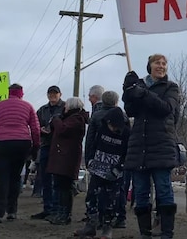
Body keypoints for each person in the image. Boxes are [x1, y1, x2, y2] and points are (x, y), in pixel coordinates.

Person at [122, 54, 180, 239]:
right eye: (157, 63)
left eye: (164, 63)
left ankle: (166, 233)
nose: (161, 66)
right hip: (139, 146)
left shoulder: (171, 87)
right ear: (150, 66)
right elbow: (130, 110)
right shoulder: (139, 85)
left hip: (162, 145)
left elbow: (165, 109)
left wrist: (143, 93)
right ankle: (144, 233)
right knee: (140, 191)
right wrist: (128, 89)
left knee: (164, 189)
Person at [0, 83, 40, 223]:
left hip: (1, 143)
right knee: (15, 177)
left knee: (1, 178)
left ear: (8, 92)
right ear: (21, 93)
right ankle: (12, 211)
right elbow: (35, 129)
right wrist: (36, 147)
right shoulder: (28, 106)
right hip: (22, 143)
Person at [76, 106, 131, 238]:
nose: (111, 128)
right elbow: (94, 144)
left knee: (111, 200)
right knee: (91, 197)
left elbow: (128, 153)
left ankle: (107, 226)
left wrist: (119, 167)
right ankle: (91, 225)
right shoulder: (102, 129)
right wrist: (90, 159)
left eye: (113, 125)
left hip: (115, 173)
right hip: (98, 169)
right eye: (109, 125)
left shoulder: (126, 133)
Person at [46, 96, 89, 225]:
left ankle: (64, 215)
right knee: (60, 186)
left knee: (64, 187)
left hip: (66, 158)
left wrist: (56, 120)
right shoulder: (75, 118)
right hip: (64, 157)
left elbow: (63, 130)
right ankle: (61, 213)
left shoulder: (76, 119)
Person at [31, 85, 65, 220]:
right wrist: (40, 130)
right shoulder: (42, 110)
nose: (52, 95)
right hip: (45, 145)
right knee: (45, 177)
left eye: (55, 93)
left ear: (60, 94)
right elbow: (35, 125)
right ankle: (47, 208)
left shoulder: (65, 108)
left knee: (57, 178)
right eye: (50, 93)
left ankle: (57, 208)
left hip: (59, 146)